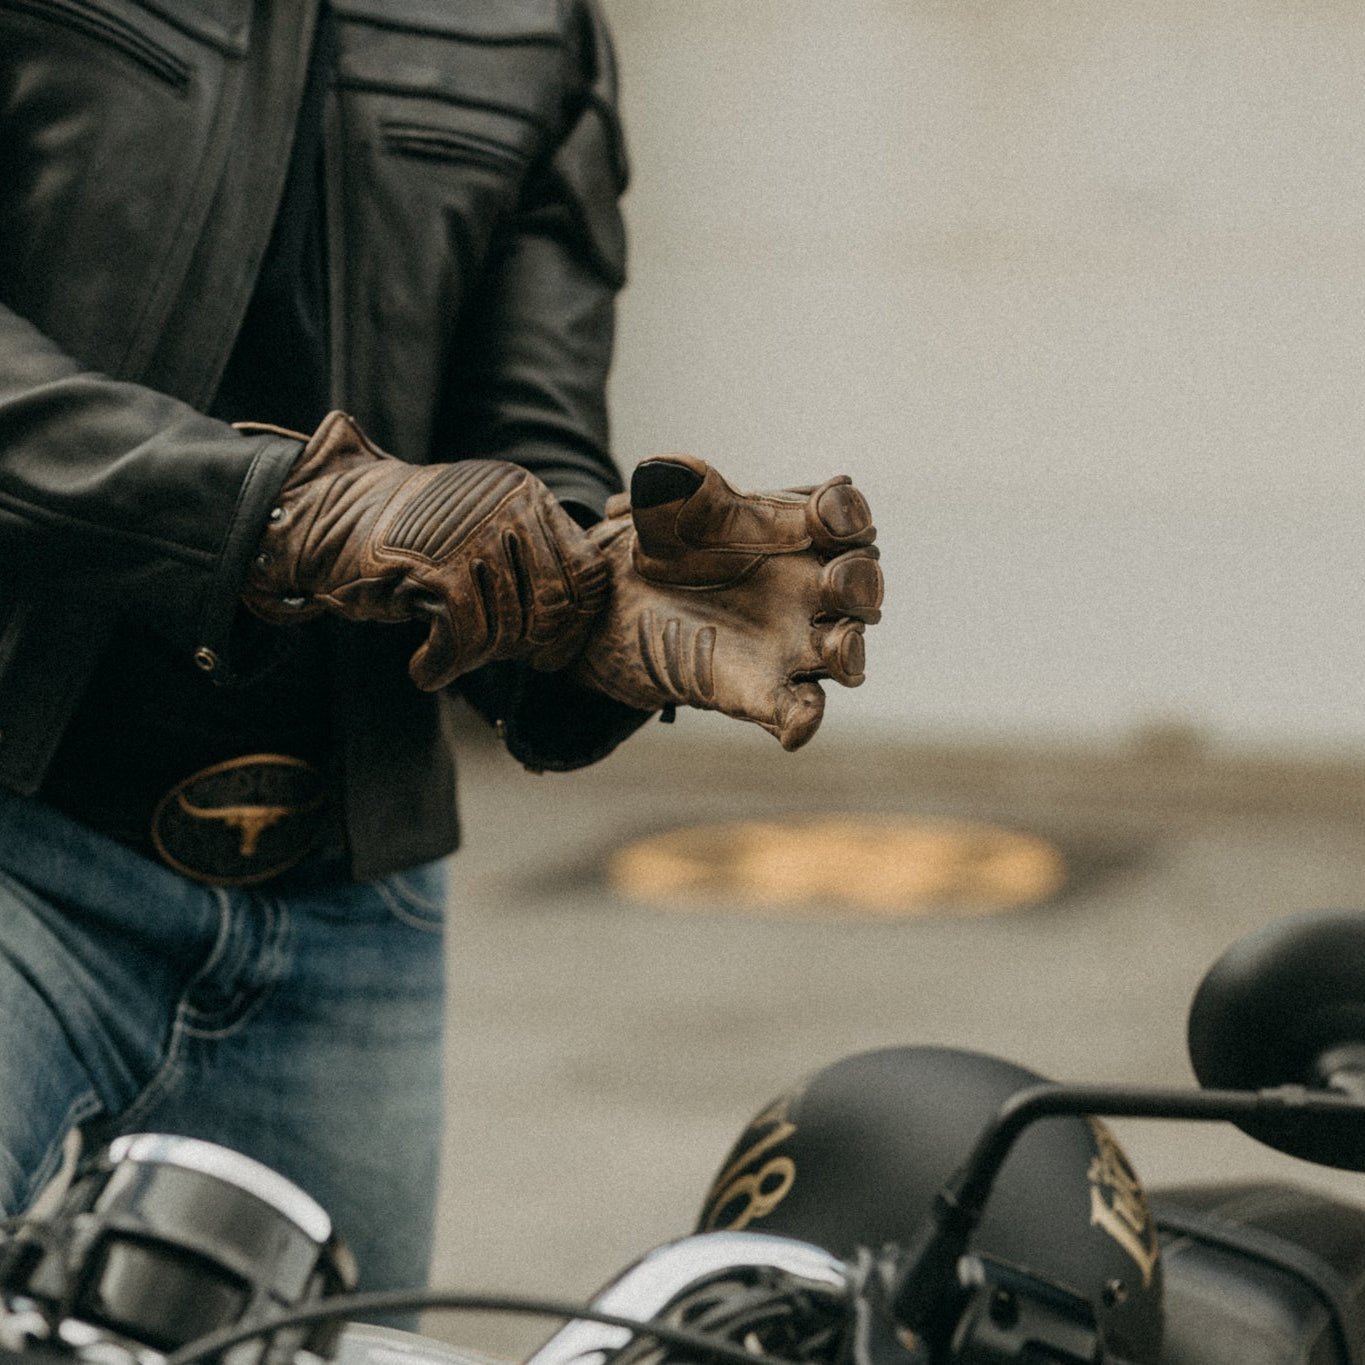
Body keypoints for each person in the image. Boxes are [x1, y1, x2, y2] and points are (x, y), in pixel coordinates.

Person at [0, 0, 883, 1301]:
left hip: (348, 911)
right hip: (25, 847)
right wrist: (287, 510)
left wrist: (597, 613)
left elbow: (526, 455)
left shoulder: (538, 27)